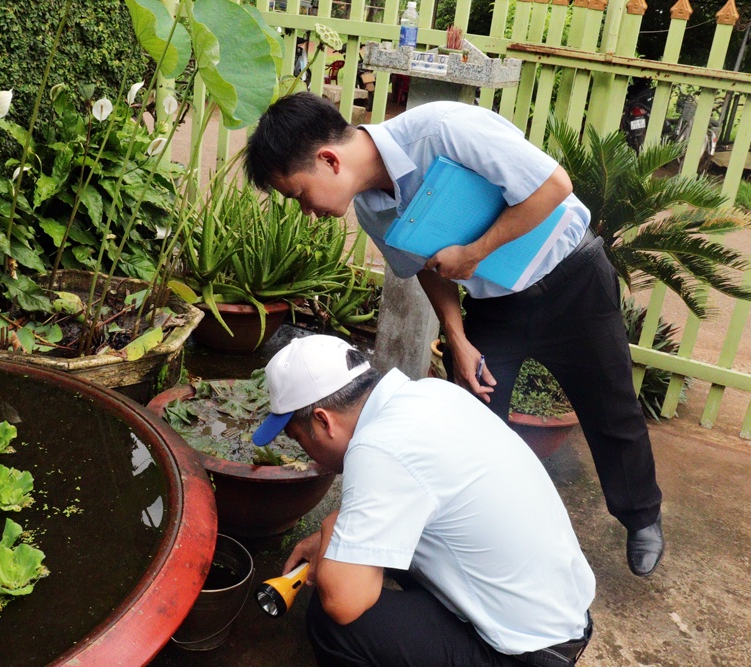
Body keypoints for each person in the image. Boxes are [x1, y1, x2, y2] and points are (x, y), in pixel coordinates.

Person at [244, 92, 664, 577]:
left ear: (328, 160)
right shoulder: (373, 210)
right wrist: (458, 339)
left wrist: (475, 252)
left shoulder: (443, 130)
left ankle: (641, 518)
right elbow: (428, 269)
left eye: (298, 194)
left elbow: (552, 186)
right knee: (479, 416)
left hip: (572, 278)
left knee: (611, 406)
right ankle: (485, 538)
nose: (305, 211)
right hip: (495, 306)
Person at [252, 334, 596, 667]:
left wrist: (331, 528)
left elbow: (344, 602)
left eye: (299, 439)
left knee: (334, 624)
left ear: (323, 421)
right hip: (562, 619)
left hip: (523, 653)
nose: (307, 456)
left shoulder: (377, 446)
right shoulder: (432, 393)